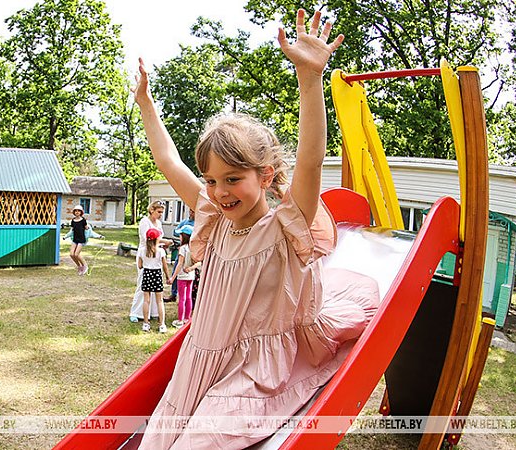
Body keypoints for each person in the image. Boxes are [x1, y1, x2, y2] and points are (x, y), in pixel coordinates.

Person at [133, 10, 380, 448]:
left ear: (265, 176)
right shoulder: (214, 216)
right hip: (202, 359)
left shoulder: (286, 227)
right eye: (211, 180)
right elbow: (167, 161)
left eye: (233, 179)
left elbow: (310, 159)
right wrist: (146, 106)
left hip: (253, 367)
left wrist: (310, 78)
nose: (219, 191)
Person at [129, 201, 173, 322]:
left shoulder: (158, 223)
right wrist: (165, 241)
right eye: (158, 212)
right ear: (152, 210)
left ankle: (152, 312)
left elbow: (158, 238)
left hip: (156, 254)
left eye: (162, 212)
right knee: (142, 284)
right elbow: (148, 238)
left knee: (156, 286)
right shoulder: (144, 222)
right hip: (146, 253)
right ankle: (136, 312)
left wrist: (164, 243)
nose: (160, 215)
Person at [138, 228, 171, 333]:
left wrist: (146, 263)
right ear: (157, 239)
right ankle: (162, 324)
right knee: (159, 301)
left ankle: (146, 323)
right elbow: (165, 266)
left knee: (146, 300)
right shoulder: (161, 251)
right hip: (157, 274)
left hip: (147, 274)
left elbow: (139, 266)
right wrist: (167, 277)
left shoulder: (142, 251)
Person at [168, 224, 198, 328]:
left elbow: (180, 263)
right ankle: (187, 318)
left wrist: (173, 277)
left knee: (182, 298)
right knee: (189, 297)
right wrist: (191, 269)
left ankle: (180, 320)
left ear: (184, 236)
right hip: (191, 276)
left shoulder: (183, 249)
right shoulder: (193, 248)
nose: (179, 237)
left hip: (182, 276)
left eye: (180, 235)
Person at [167, 208, 196, 302]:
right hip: (182, 250)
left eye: (193, 211)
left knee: (189, 273)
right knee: (177, 268)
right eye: (190, 211)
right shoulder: (184, 222)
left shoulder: (198, 223)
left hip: (192, 250)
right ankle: (174, 293)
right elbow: (175, 231)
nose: (190, 213)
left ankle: (190, 295)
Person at [69, 205, 91, 275]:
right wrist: (66, 236)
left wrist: (88, 228)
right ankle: (79, 266)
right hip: (75, 239)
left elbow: (87, 228)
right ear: (74, 212)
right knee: (71, 254)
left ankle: (85, 266)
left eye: (78, 211)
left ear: (81, 212)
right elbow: (72, 230)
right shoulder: (73, 220)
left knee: (76, 254)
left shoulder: (83, 220)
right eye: (75, 211)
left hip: (81, 239)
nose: (77, 212)